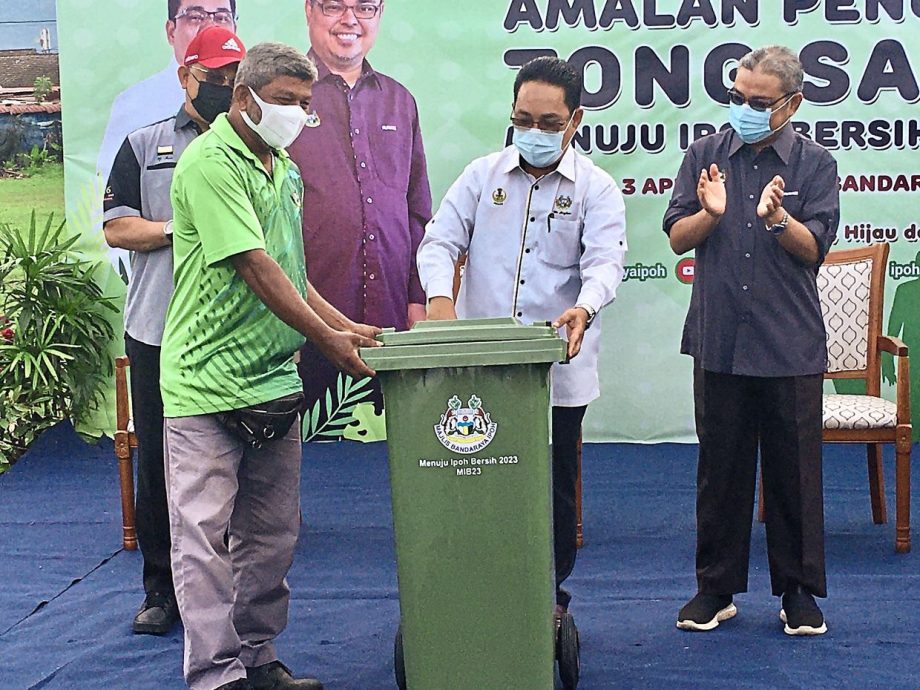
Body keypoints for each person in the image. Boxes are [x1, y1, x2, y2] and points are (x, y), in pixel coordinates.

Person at [161, 42, 380, 690]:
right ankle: (216, 675)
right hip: (205, 384)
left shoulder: (282, 169)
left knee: (271, 539)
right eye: (284, 101)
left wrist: (344, 325)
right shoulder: (208, 164)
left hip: (271, 382)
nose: (294, 114)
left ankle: (257, 659)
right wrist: (326, 341)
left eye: (304, 105)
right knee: (205, 543)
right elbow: (254, 266)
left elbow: (291, 273)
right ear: (244, 97)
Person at [416, 56, 627, 616]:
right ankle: (471, 582)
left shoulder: (597, 189)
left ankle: (547, 595)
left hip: (557, 365)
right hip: (480, 365)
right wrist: (441, 298)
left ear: (576, 119)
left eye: (549, 122)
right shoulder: (482, 176)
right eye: (523, 119)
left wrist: (584, 306)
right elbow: (439, 241)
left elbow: (606, 263)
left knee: (550, 486)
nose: (534, 132)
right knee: (471, 474)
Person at [663, 45, 840, 636]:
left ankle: (798, 593)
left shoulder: (816, 165)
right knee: (721, 470)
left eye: (758, 102)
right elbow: (677, 238)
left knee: (794, 473)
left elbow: (814, 249)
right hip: (719, 338)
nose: (743, 108)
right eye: (736, 97)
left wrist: (777, 220)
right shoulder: (704, 155)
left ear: (792, 103)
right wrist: (711, 215)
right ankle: (715, 589)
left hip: (788, 342)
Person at [102, 24, 246, 637]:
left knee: (239, 463)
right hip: (160, 331)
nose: (225, 87)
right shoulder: (145, 144)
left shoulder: (254, 143)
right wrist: (179, 229)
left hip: (233, 332)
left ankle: (229, 587)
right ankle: (162, 590)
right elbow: (116, 228)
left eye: (233, 77)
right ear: (186, 74)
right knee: (162, 465)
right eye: (214, 77)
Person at [287, 0, 432, 437]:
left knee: (394, 464)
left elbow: (417, 210)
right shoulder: (283, 100)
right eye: (335, 6)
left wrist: (418, 298)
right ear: (311, 10)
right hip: (303, 327)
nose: (350, 20)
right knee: (311, 468)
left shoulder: (399, 101)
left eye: (365, 7)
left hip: (391, 322)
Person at [97, 1, 238, 183]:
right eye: (195, 17)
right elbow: (111, 205)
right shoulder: (132, 107)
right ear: (171, 31)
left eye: (221, 18)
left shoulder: (254, 139)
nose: (210, 27)